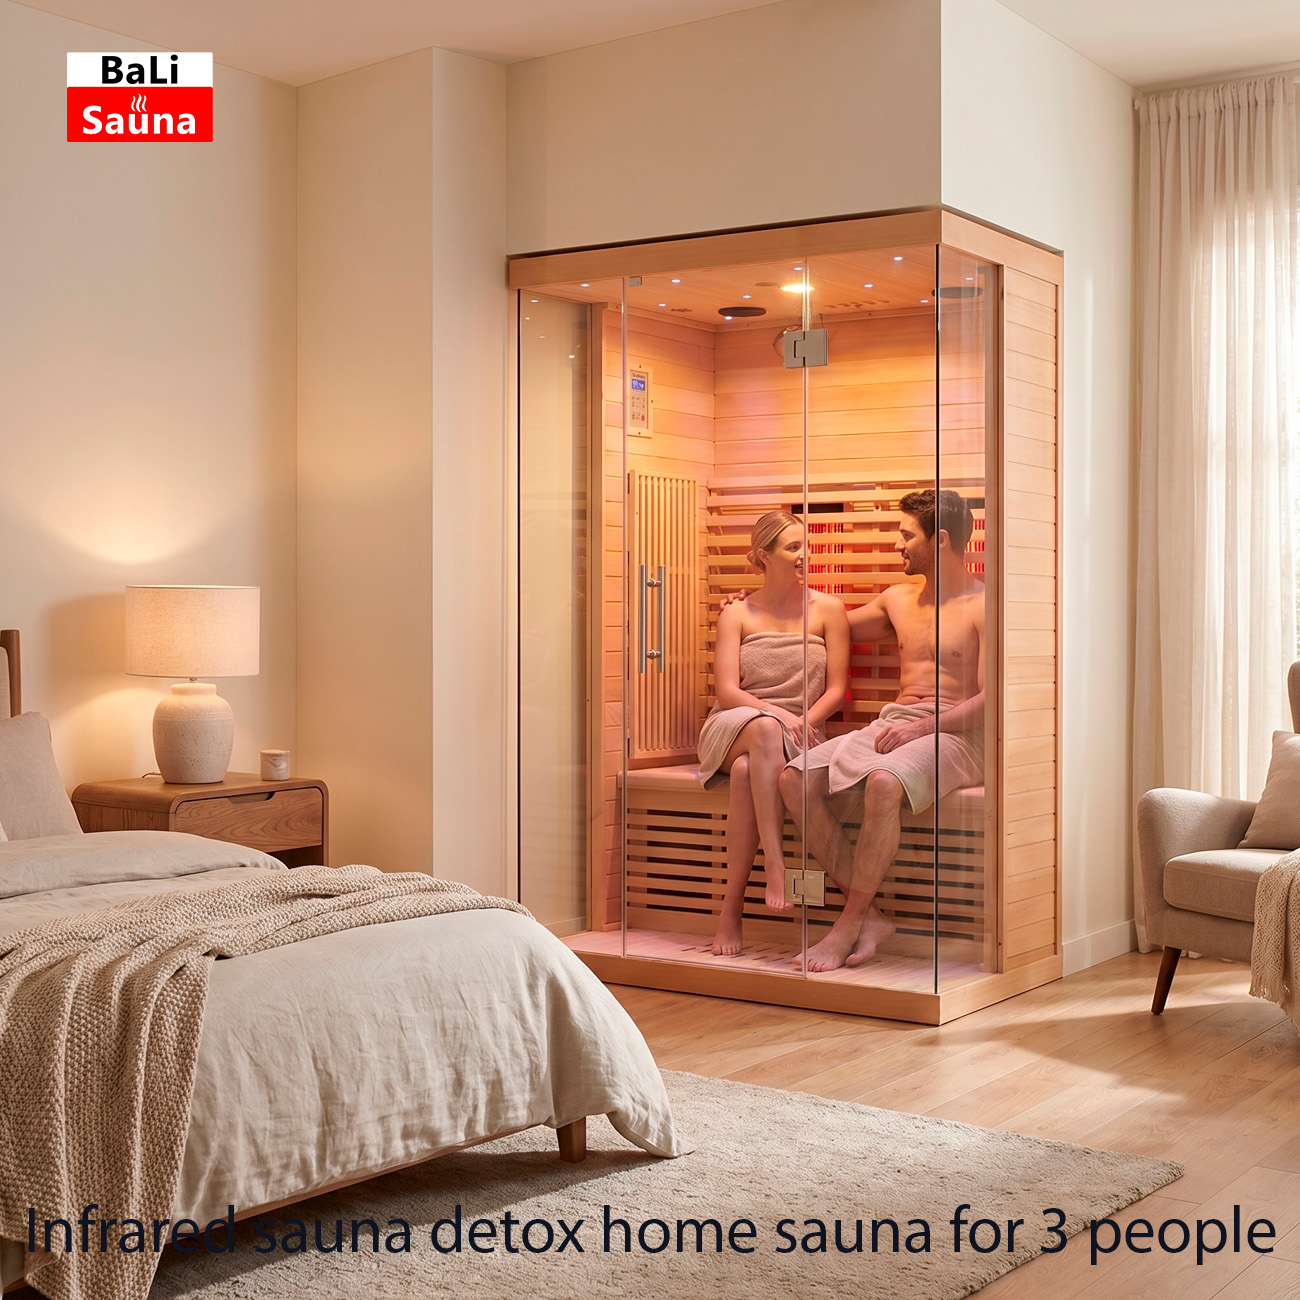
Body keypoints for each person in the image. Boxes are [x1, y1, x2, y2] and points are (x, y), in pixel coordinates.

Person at [779, 488, 985, 972]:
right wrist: (753, 603)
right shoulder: (898, 599)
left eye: (906, 535)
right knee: (793, 778)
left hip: (959, 735)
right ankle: (868, 917)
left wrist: (923, 730)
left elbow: (992, 700)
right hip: (897, 724)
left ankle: (846, 925)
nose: (898, 544)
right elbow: (825, 626)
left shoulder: (984, 605)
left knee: (883, 782)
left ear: (939, 539)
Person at [697, 510, 849, 956]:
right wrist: (779, 715)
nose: (804, 554)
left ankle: (730, 911)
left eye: (806, 545)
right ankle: (776, 865)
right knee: (762, 732)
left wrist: (804, 721)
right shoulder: (737, 613)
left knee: (747, 773)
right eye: (793, 547)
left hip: (801, 729)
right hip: (736, 724)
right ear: (764, 556)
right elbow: (728, 692)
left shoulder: (829, 610)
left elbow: (836, 690)